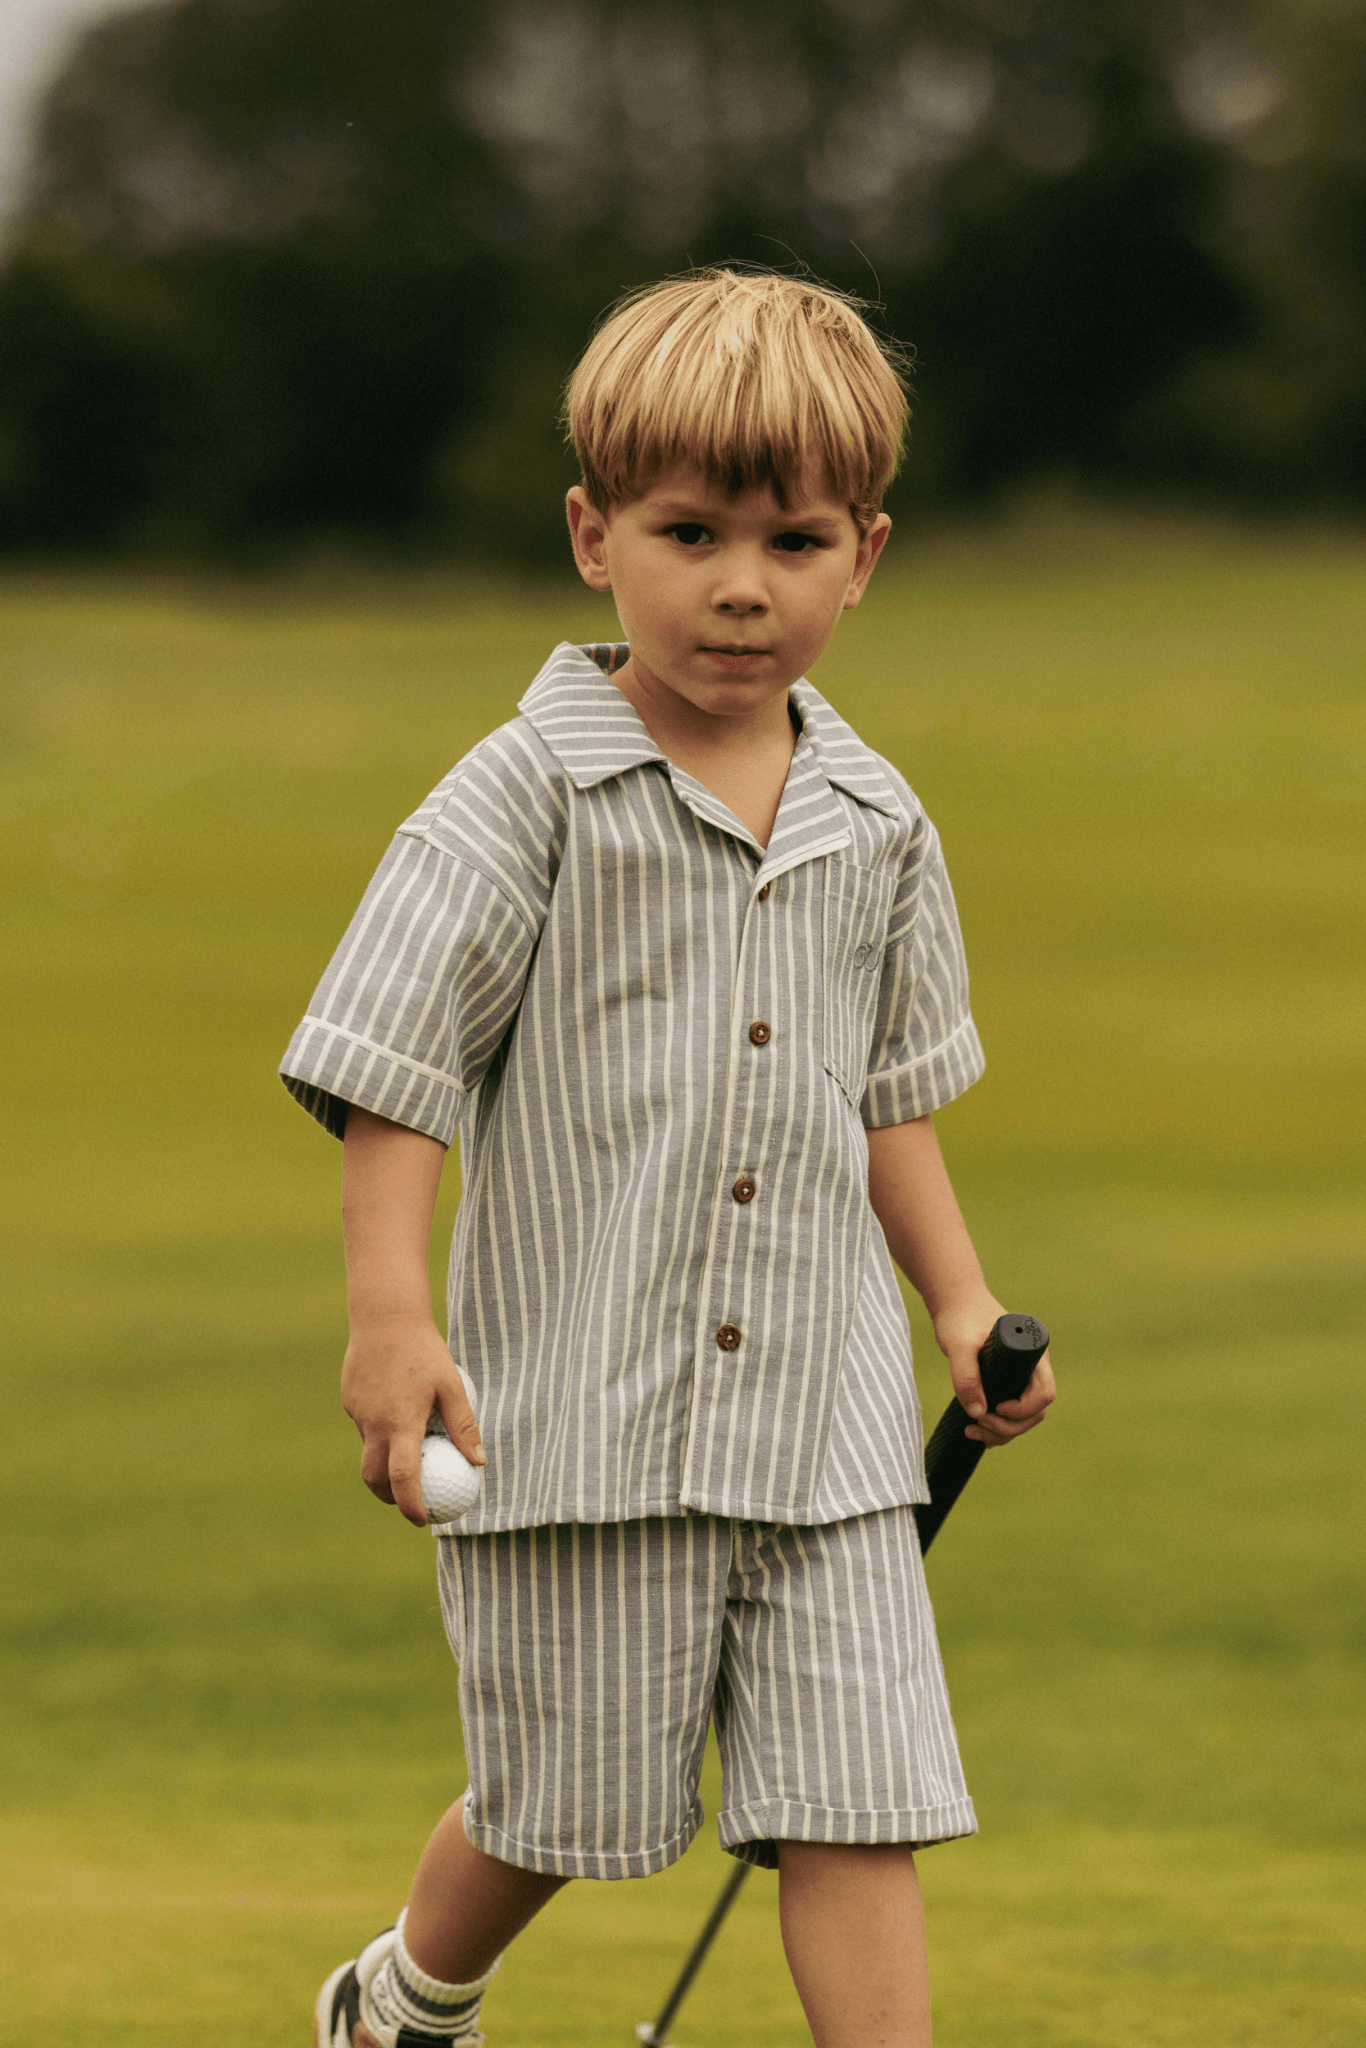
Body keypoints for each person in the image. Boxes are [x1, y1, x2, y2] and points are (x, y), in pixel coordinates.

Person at [282, 267, 1055, 2048]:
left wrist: (957, 1300)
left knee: (857, 1800)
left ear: (863, 555)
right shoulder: (514, 799)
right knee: (565, 1804)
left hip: (828, 1425)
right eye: (688, 529)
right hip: (576, 1419)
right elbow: (399, 1073)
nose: (738, 585)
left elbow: (889, 1098)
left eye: (791, 540)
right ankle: (406, 1996)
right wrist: (391, 1322)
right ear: (589, 533)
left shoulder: (879, 820)